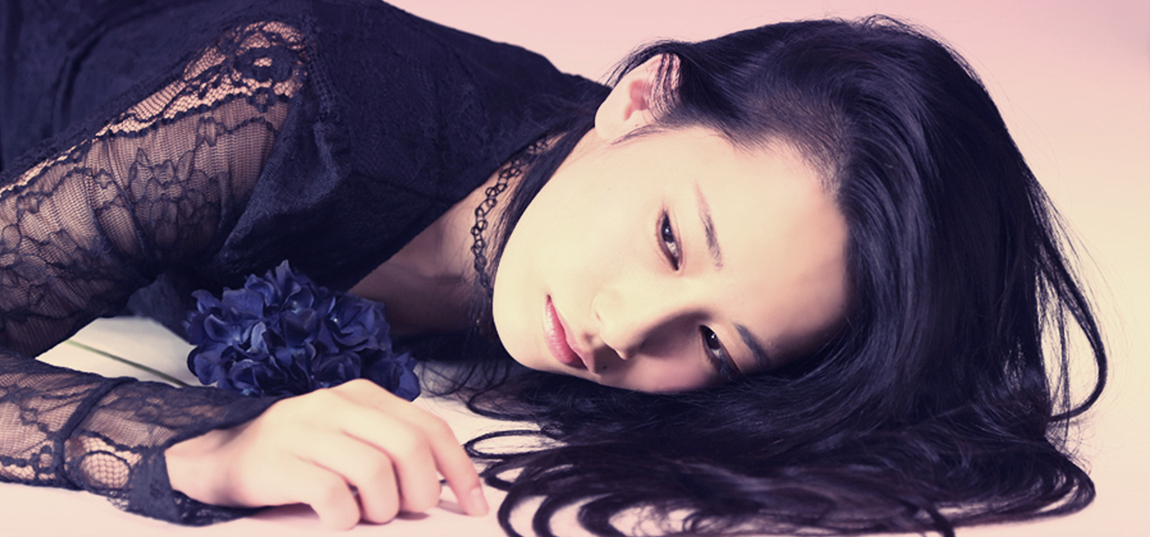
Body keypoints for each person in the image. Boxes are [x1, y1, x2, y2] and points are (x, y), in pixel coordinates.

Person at [0, 1, 1106, 536]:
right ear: (641, 99)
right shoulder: (279, 104)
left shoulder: (616, 253)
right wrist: (213, 446)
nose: (625, 327)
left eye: (715, 341)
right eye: (671, 239)